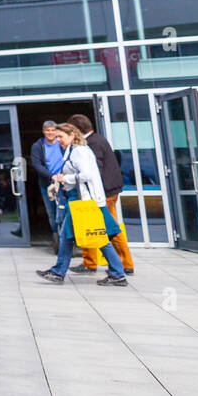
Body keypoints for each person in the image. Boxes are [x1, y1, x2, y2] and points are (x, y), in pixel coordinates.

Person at [36, 123, 127, 286]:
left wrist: (65, 179)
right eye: (56, 137)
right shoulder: (75, 151)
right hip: (82, 200)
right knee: (79, 236)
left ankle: (116, 273)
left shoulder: (79, 152)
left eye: (60, 136)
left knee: (93, 237)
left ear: (72, 135)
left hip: (84, 202)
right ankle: (116, 273)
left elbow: (86, 175)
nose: (58, 140)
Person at [66, 113, 134, 275]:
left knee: (110, 229)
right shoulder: (98, 139)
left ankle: (125, 263)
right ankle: (90, 262)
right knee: (91, 226)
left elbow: (94, 171)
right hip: (108, 189)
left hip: (104, 192)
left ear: (77, 130)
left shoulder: (91, 143)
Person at [29, 120, 65, 246]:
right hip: (47, 184)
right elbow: (36, 164)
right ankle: (57, 235)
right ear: (43, 132)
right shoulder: (38, 146)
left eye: (53, 130)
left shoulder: (62, 143)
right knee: (52, 211)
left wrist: (63, 175)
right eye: (48, 130)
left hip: (64, 183)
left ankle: (67, 237)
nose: (50, 133)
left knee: (64, 210)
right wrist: (52, 176)